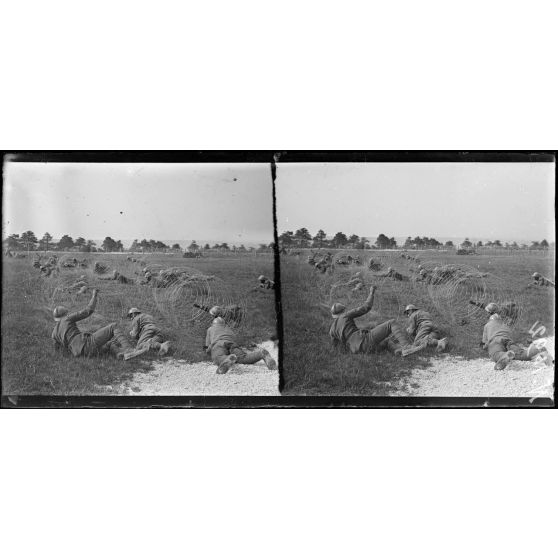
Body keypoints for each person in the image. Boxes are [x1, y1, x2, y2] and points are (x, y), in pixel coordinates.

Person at [329, 286, 422, 356]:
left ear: (334, 315)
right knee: (391, 323)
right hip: (364, 341)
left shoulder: (332, 329)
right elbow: (366, 307)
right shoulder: (345, 316)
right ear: (343, 311)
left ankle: (397, 351)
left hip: (356, 350)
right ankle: (407, 347)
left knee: (386, 341)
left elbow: (335, 348)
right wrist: (371, 293)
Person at [51, 289, 134, 359]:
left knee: (109, 343)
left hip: (80, 354)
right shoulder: (67, 319)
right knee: (114, 326)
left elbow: (58, 350)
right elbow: (88, 311)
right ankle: (129, 349)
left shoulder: (54, 333)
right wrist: (94, 296)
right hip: (87, 344)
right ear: (65, 314)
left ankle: (119, 354)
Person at [481, 303, 552, 370]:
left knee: (495, 354)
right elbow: (511, 335)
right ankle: (537, 350)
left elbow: (485, 343)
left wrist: (486, 347)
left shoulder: (487, 326)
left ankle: (504, 355)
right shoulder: (504, 324)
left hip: (495, 341)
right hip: (508, 340)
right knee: (521, 354)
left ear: (488, 314)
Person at [204, 317, 277, 374]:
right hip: (232, 344)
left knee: (218, 357)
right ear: (224, 324)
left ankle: (227, 358)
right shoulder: (229, 329)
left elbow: (207, 347)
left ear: (213, 324)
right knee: (243, 358)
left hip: (219, 344)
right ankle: (261, 354)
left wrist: (210, 352)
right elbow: (233, 340)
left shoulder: (210, 329)